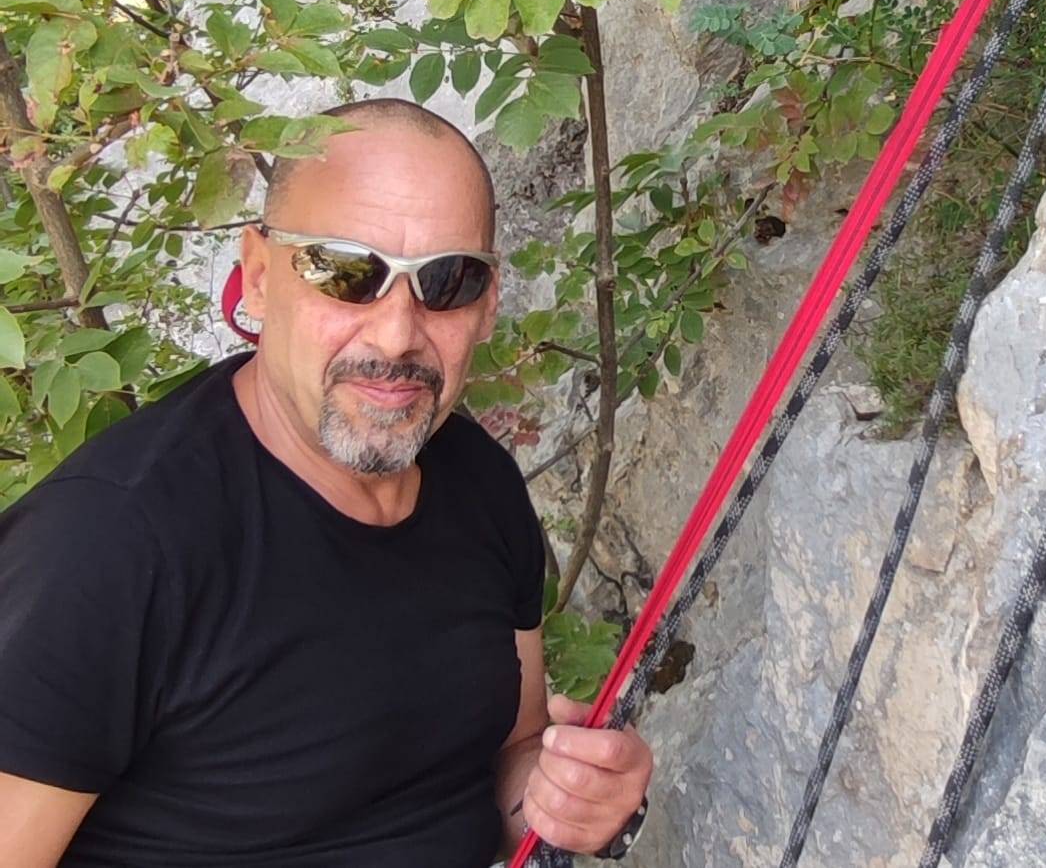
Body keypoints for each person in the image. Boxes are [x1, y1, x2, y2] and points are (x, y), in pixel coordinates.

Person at [0, 99, 652, 867]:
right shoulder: (106, 546)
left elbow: (509, 754)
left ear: (487, 305)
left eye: (447, 279)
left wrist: (569, 795)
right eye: (345, 270)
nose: (396, 333)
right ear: (260, 275)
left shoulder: (479, 482)